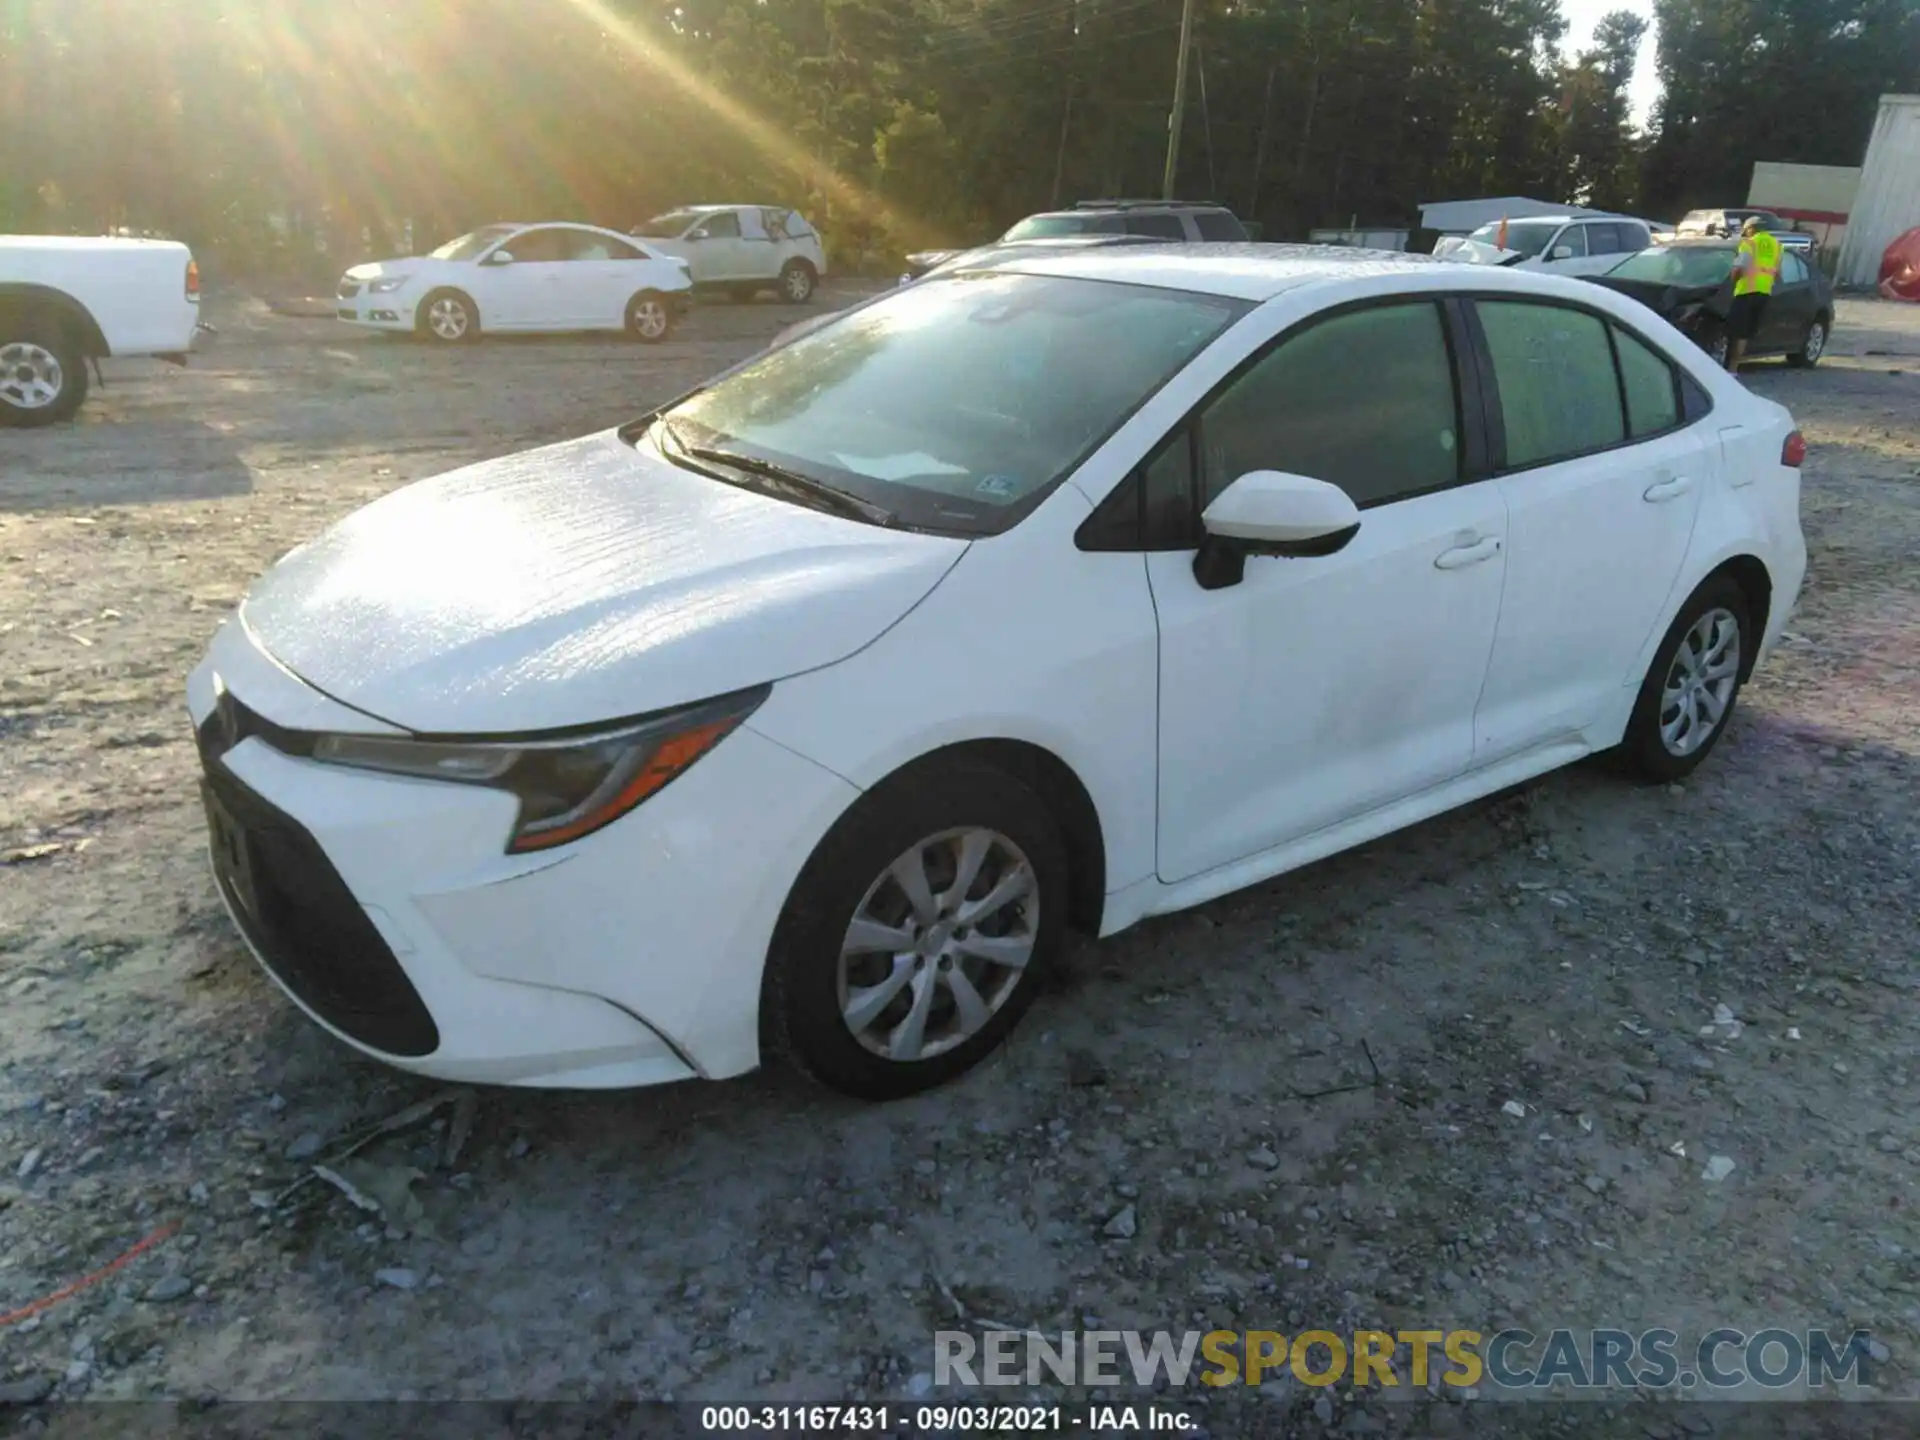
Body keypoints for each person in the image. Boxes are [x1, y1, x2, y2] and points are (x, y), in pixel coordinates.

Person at [1724, 217, 1781, 373]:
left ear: (1751, 229)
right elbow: (1777, 272)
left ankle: (1732, 369)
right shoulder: (1776, 245)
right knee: (1747, 333)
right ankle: (1737, 366)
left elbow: (1739, 268)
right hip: (1764, 293)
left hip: (1745, 292)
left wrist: (1731, 282)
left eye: (1746, 230)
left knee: (1738, 333)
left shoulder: (1749, 243)